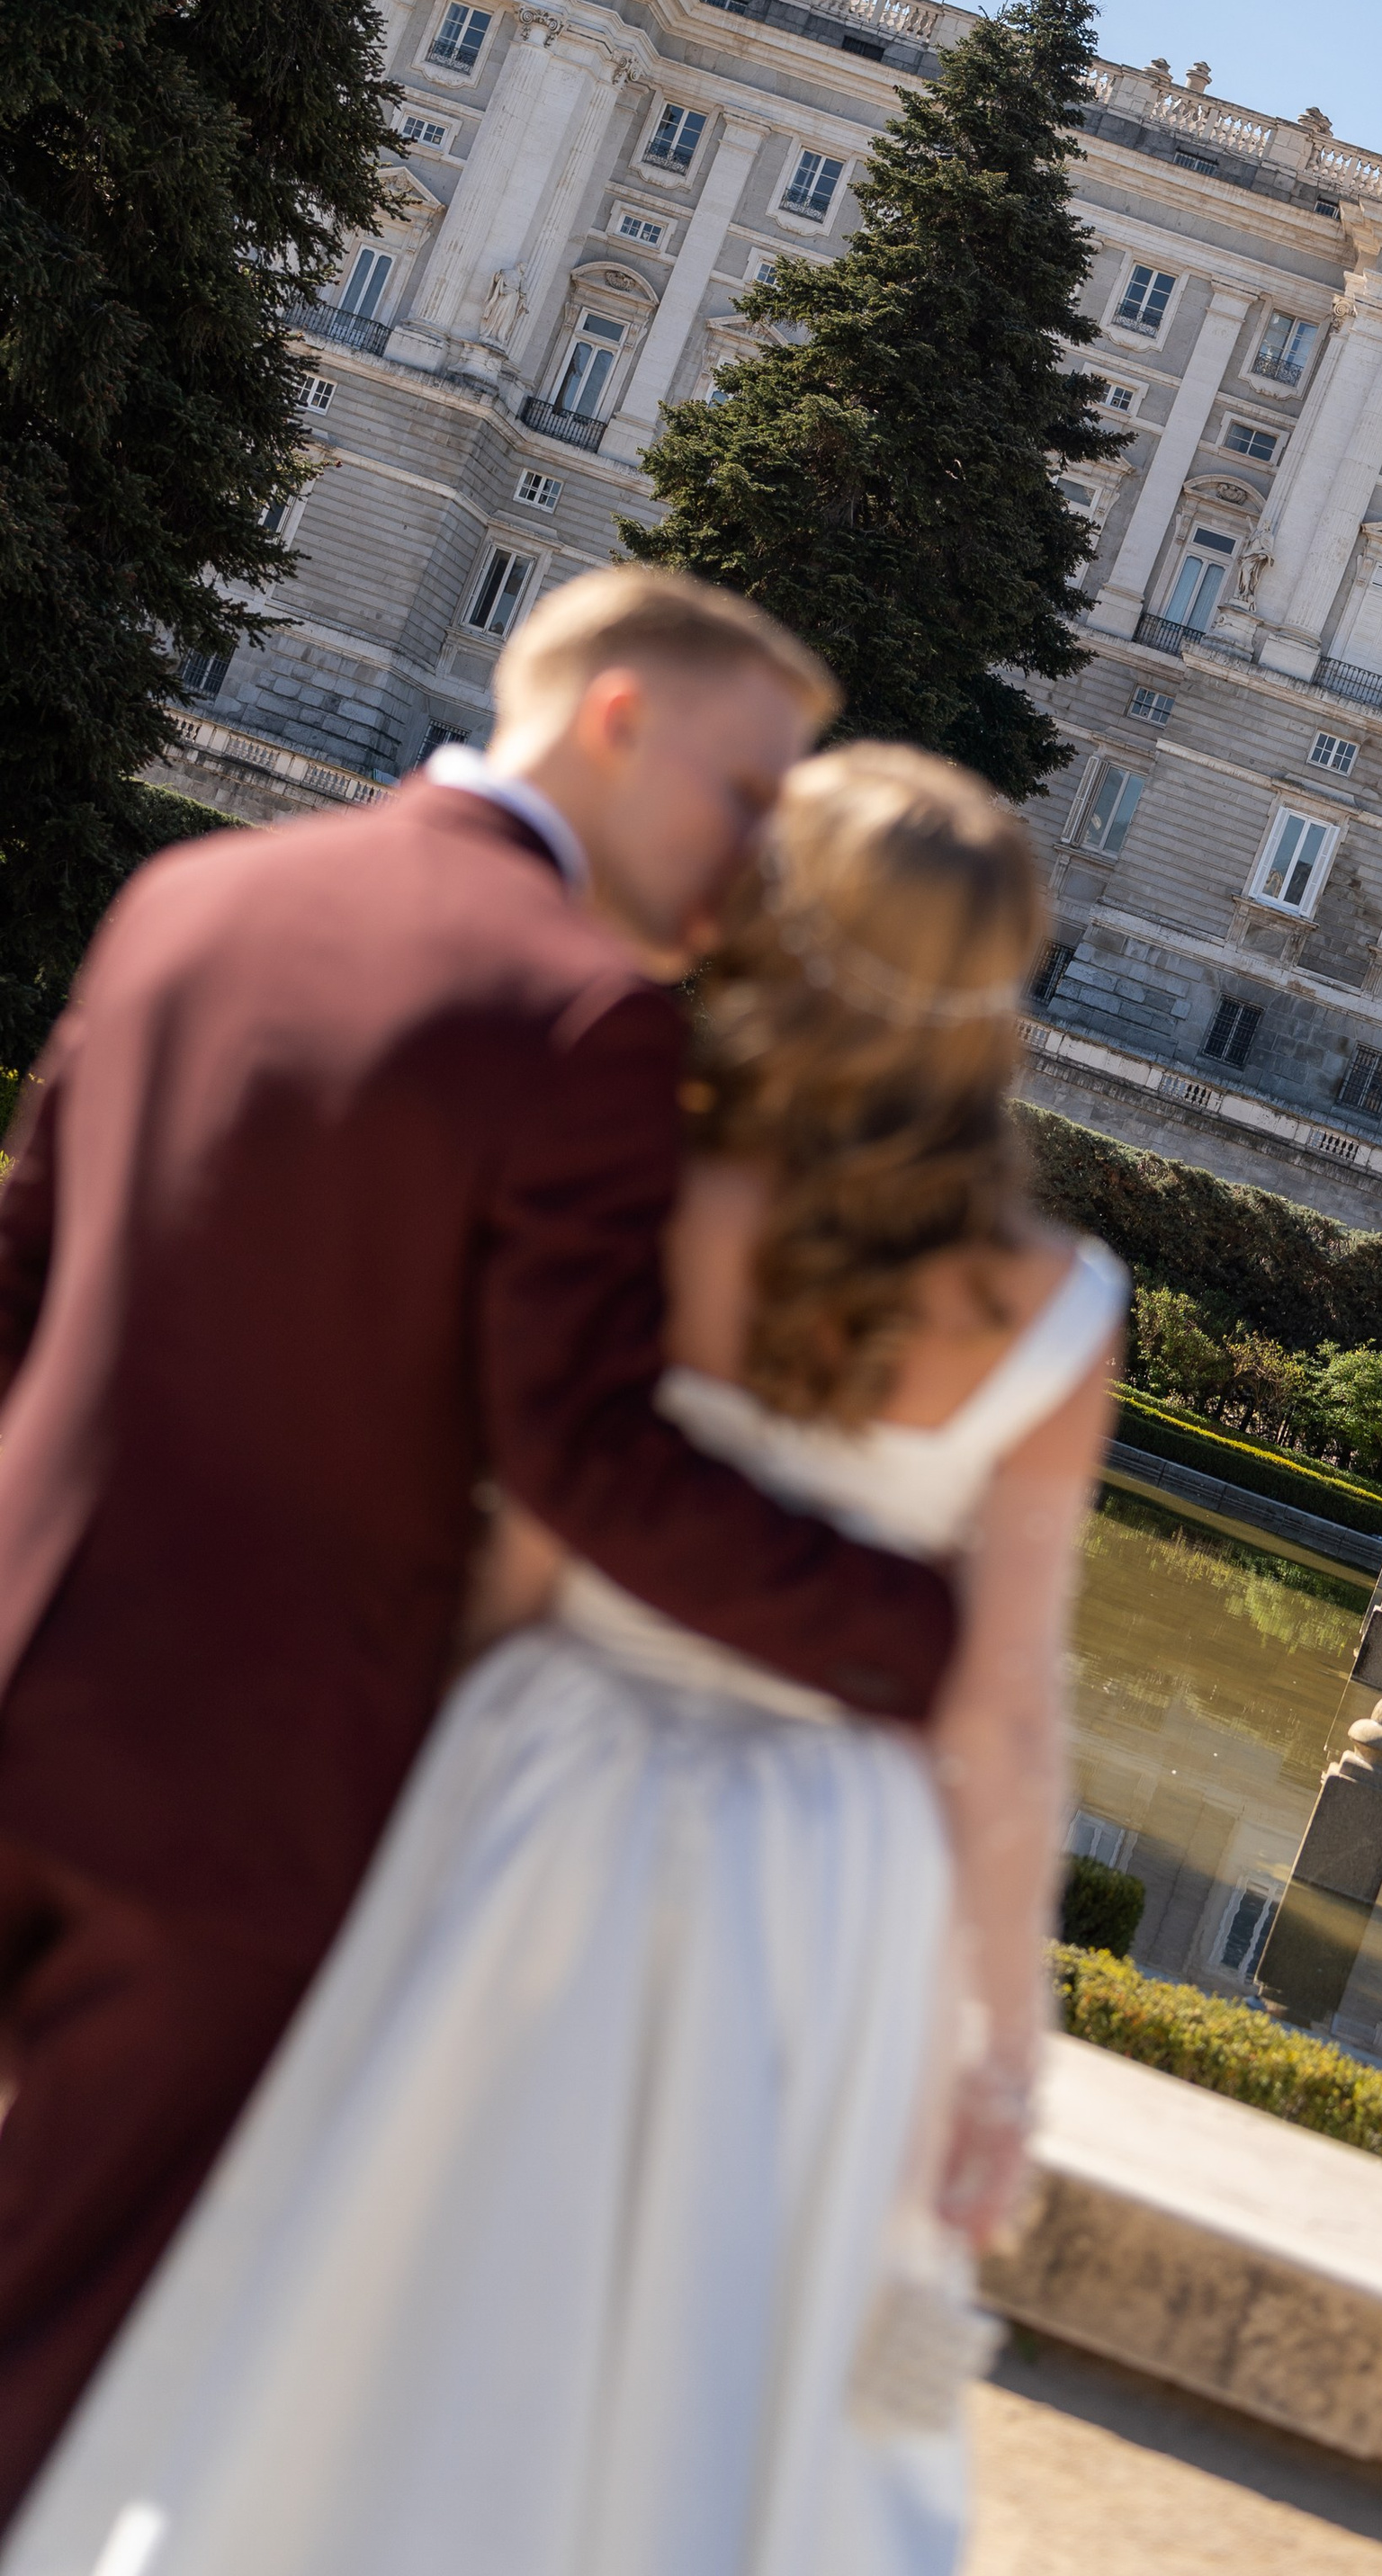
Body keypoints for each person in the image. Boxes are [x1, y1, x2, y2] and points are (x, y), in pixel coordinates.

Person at [0, 741, 1122, 2576]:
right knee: (709, 2340)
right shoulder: (1053, 1310)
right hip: (827, 1879)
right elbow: (1004, 1726)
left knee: (384, 2292)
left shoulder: (648, 1188)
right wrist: (1004, 2052)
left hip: (538, 1783)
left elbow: (524, 1537)